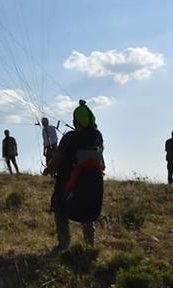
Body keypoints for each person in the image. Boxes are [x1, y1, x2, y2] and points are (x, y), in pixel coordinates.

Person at [44, 100, 104, 250]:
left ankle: (64, 244)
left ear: (75, 121)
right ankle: (90, 245)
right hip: (94, 184)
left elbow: (57, 158)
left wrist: (48, 169)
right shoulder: (97, 136)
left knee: (59, 207)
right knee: (88, 212)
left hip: (70, 183)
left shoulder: (70, 137)